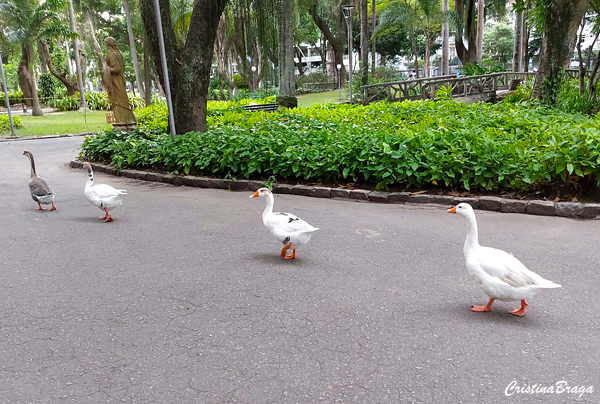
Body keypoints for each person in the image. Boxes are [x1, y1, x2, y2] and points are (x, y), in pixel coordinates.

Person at [103, 37, 136, 125]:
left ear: (108, 44)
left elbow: (116, 68)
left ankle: (122, 120)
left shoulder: (112, 54)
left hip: (116, 81)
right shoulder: (119, 52)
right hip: (120, 79)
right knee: (122, 99)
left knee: (118, 101)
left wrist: (106, 70)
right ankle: (125, 119)